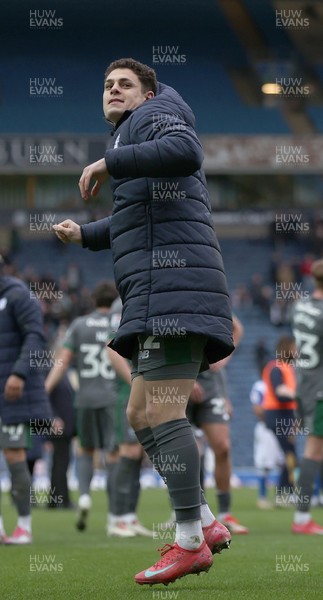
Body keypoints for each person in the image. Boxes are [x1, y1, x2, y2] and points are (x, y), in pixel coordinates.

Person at [52, 57, 234, 585]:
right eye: (106, 85)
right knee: (138, 411)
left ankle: (188, 543)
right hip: (157, 294)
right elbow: (134, 218)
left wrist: (111, 163)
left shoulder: (159, 114)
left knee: (159, 410)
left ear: (148, 93)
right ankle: (202, 521)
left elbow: (186, 152)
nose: (113, 90)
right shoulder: (134, 135)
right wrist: (83, 234)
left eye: (124, 84)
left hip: (178, 293)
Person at [45, 281, 119, 531]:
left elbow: (62, 362)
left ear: (93, 300)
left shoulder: (79, 325)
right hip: (112, 397)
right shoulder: (119, 324)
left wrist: (45, 389)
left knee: (85, 449)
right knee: (113, 453)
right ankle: (116, 512)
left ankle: (85, 494)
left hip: (85, 398)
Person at [0, 256, 52, 544]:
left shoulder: (18, 294)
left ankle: (23, 527)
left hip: (12, 393)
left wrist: (19, 373)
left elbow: (35, 335)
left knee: (14, 454)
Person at [187, 315, 248, 533]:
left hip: (212, 385)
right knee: (187, 453)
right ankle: (188, 514)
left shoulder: (211, 292)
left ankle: (224, 514)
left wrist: (225, 357)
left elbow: (237, 326)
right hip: (178, 378)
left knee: (222, 448)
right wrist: (186, 379)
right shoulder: (175, 294)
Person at [290, 259, 323, 534]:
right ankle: (302, 518)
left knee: (314, 450)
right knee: (313, 451)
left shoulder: (298, 307)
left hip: (306, 384)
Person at [262, 336, 298, 504]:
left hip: (287, 414)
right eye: (294, 347)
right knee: (290, 453)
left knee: (289, 453)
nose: (297, 351)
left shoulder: (288, 368)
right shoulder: (276, 367)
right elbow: (280, 392)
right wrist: (300, 396)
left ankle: (283, 493)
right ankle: (287, 493)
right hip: (276, 414)